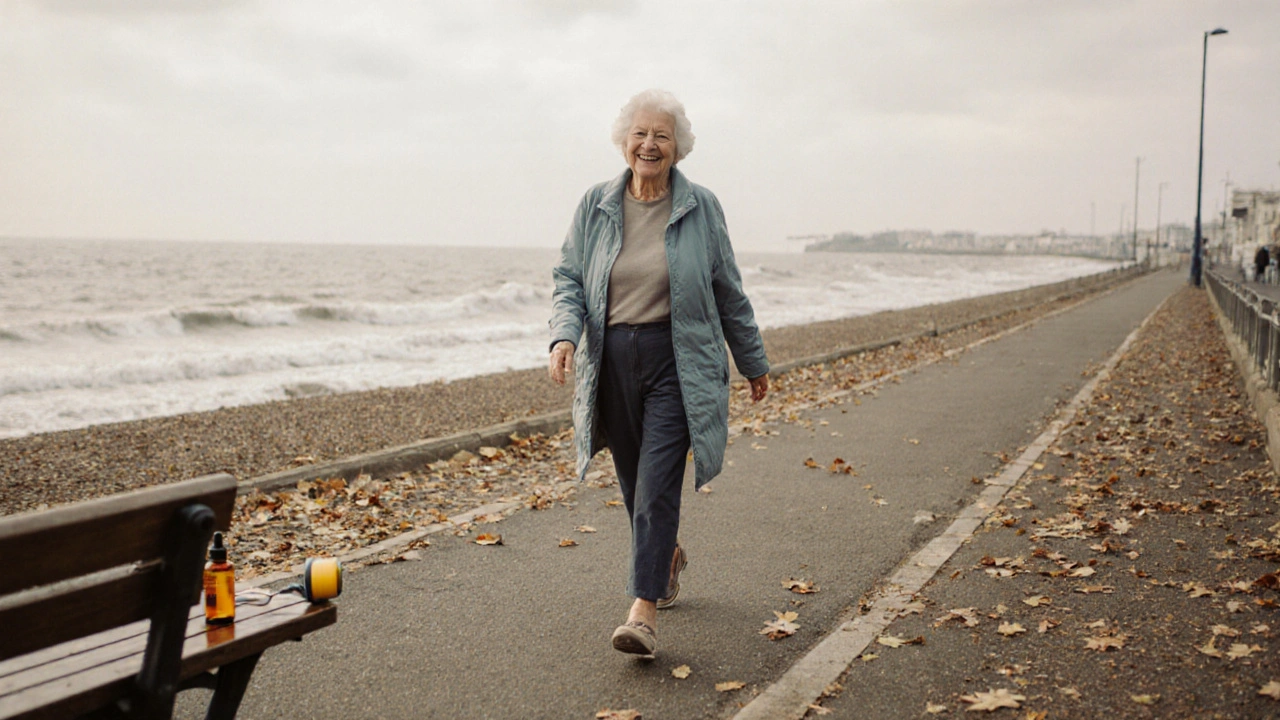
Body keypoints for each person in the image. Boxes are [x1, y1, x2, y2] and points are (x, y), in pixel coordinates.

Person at [548, 89, 770, 657]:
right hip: (613, 360)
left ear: (678, 149)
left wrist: (752, 361)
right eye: (641, 134)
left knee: (655, 485)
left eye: (662, 136)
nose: (650, 144)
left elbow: (728, 290)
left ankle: (642, 612)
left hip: (680, 360)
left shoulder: (701, 208)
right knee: (632, 485)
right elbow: (569, 278)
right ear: (625, 142)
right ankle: (665, 558)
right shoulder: (595, 205)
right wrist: (564, 335)